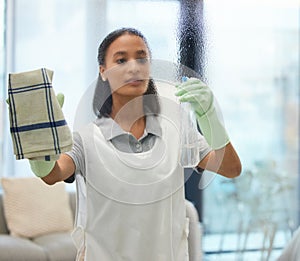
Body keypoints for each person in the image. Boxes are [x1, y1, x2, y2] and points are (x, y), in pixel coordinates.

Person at [30, 27, 241, 260]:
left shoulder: (177, 129)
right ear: (103, 71)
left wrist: (211, 120)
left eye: (141, 58)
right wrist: (39, 144)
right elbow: (53, 174)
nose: (134, 67)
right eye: (121, 60)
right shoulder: (86, 139)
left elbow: (230, 168)